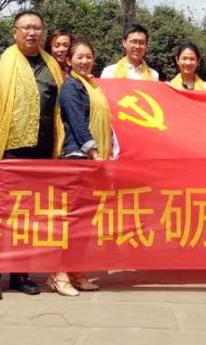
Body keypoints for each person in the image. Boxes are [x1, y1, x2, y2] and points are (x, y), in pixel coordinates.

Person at [0, 10, 65, 300]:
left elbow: (59, 108)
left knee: (28, 215)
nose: (31, 33)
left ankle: (20, 273)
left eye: (36, 28)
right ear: (14, 31)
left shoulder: (51, 65)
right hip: (8, 151)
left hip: (42, 153)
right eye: (26, 28)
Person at [54, 39, 115, 295]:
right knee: (70, 220)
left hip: (95, 160)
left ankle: (76, 271)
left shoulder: (94, 87)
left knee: (85, 221)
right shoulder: (71, 87)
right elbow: (77, 121)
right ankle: (59, 274)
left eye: (89, 56)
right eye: (79, 57)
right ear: (69, 60)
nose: (85, 61)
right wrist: (93, 151)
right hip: (78, 158)